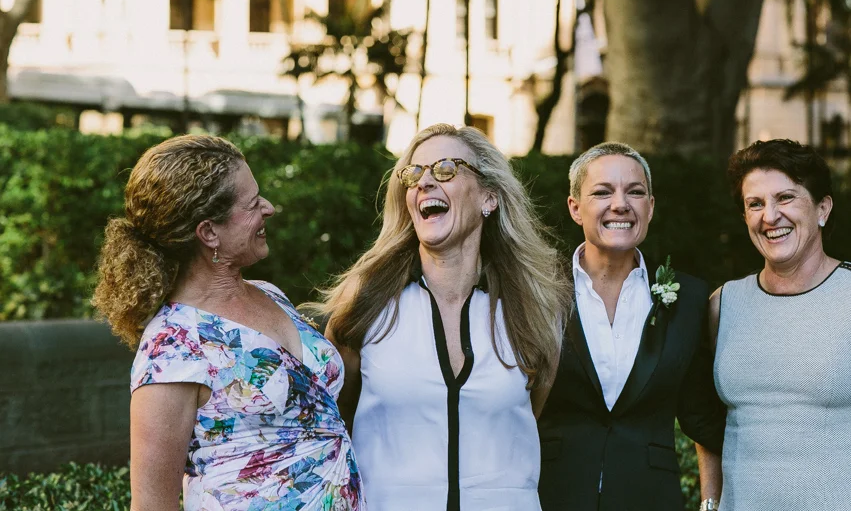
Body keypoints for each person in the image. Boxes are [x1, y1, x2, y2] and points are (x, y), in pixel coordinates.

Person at [92, 134, 364, 511]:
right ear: (209, 232)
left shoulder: (269, 294)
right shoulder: (172, 348)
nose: (269, 208)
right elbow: (151, 505)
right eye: (253, 203)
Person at [316, 123, 572, 511]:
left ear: (489, 197)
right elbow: (334, 417)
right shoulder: (366, 301)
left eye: (446, 169)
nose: (424, 182)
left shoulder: (531, 305)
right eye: (413, 174)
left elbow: (532, 413)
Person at [538, 142, 726, 511]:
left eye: (635, 192)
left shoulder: (688, 298)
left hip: (650, 499)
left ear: (650, 207)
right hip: (550, 496)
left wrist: (710, 502)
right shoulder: (537, 291)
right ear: (575, 208)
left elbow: (700, 416)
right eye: (602, 192)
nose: (620, 204)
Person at [710, 139, 851, 510]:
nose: (769, 216)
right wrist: (709, 502)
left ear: (822, 208)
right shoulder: (723, 304)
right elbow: (701, 419)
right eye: (755, 204)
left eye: (785, 198)